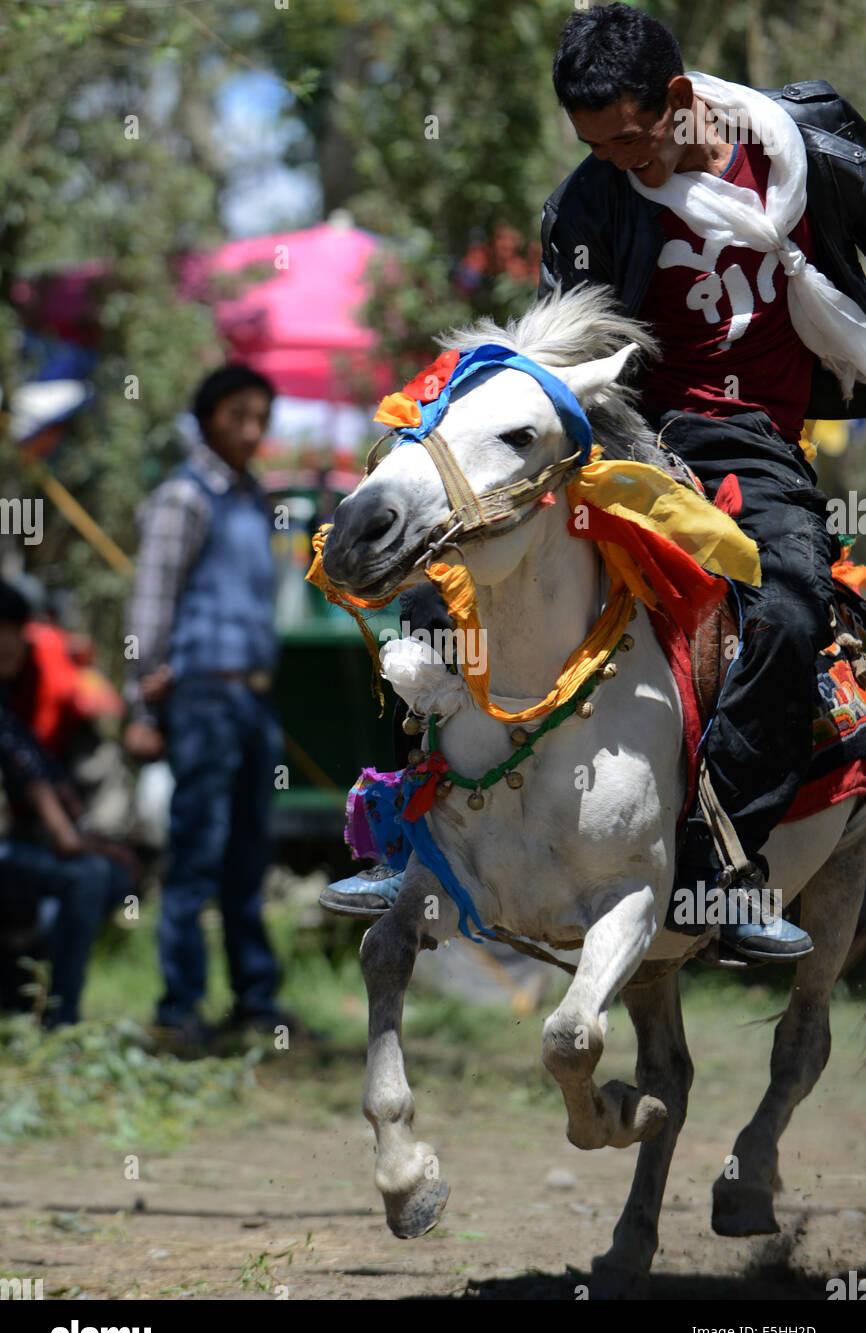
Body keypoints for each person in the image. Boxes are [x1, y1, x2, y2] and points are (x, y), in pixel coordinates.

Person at [325, 5, 866, 962]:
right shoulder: (589, 204)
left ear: (681, 98)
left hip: (758, 444)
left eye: (631, 135)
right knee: (447, 569)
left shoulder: (807, 151)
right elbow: (562, 349)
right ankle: (406, 827)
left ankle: (714, 868)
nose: (620, 158)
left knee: (789, 602)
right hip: (628, 435)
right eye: (595, 144)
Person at [124, 363, 289, 1048]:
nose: (251, 430)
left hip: (252, 700)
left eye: (261, 418)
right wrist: (139, 701)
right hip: (201, 698)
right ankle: (178, 1011)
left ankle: (254, 1003)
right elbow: (152, 600)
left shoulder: (254, 499)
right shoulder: (183, 499)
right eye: (238, 416)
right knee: (197, 852)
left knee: (250, 855)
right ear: (207, 419)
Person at [0, 580, 136, 1026]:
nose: (5, 641)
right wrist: (107, 850)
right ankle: (60, 1019)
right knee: (88, 875)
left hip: (21, 847)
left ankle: (33, 1005)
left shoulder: (23, 703)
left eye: (12, 629)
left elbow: (50, 784)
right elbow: (61, 833)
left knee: (86, 879)